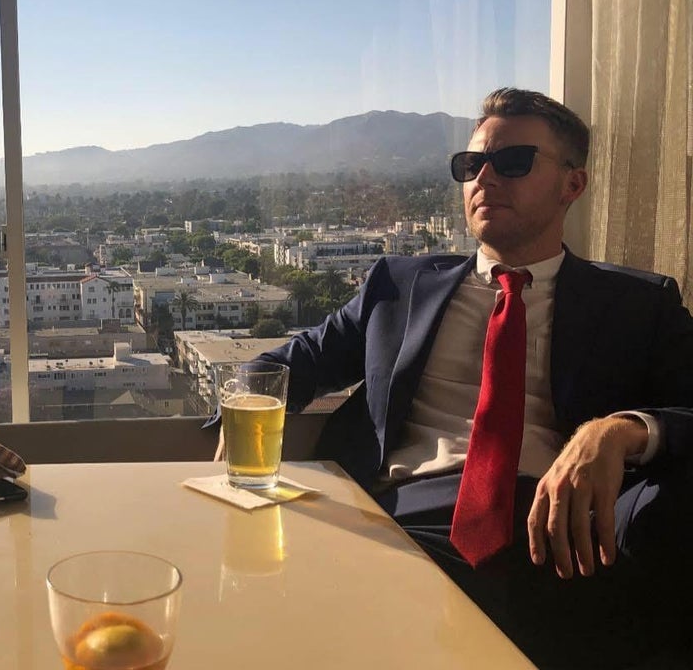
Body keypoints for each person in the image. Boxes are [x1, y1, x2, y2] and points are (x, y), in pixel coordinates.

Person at [252, 88, 693, 668]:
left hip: (570, 530)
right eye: (471, 164)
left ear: (572, 184)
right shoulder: (398, 286)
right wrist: (246, 406)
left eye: (512, 161)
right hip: (408, 517)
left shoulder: (639, 304)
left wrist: (619, 430)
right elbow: (295, 361)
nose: (485, 177)